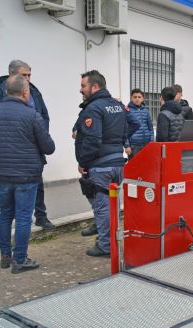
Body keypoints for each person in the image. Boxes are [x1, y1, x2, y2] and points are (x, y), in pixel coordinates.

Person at [0, 75, 55, 273]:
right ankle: (19, 260)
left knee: (5, 215)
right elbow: (49, 147)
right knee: (22, 217)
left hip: (1, 174)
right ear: (25, 93)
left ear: (5, 91)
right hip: (27, 175)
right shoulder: (32, 115)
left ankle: (5, 257)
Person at [0, 59, 55, 230]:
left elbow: (43, 116)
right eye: (24, 75)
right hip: (5, 154)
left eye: (29, 75)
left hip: (31, 151)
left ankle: (41, 216)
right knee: (10, 206)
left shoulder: (34, 91)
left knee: (38, 185)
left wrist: (41, 138)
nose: (28, 78)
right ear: (11, 75)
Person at [75, 70, 127, 257]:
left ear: (95, 87)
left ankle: (106, 246)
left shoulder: (93, 108)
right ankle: (107, 238)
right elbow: (131, 126)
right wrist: (118, 142)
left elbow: (93, 139)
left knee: (102, 206)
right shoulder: (118, 105)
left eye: (83, 86)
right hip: (117, 164)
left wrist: (83, 162)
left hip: (101, 165)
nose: (81, 90)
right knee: (108, 205)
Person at [127, 88, 154, 157]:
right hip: (134, 146)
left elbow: (150, 128)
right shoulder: (127, 111)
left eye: (139, 97)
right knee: (134, 166)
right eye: (135, 97)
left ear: (143, 98)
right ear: (131, 98)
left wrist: (151, 141)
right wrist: (127, 145)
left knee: (146, 165)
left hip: (147, 145)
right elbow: (124, 130)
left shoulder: (146, 111)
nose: (137, 99)